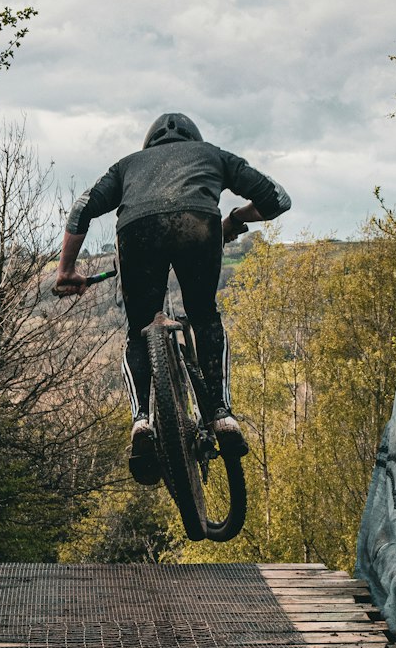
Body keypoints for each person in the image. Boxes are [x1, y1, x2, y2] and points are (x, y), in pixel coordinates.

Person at [54, 113, 291, 484]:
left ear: (150, 144)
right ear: (192, 139)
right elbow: (277, 199)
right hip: (198, 224)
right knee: (203, 316)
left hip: (137, 231)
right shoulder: (212, 154)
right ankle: (222, 414)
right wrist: (232, 220)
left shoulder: (127, 165)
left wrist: (66, 271)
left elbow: (81, 210)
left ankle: (141, 423)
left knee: (139, 331)